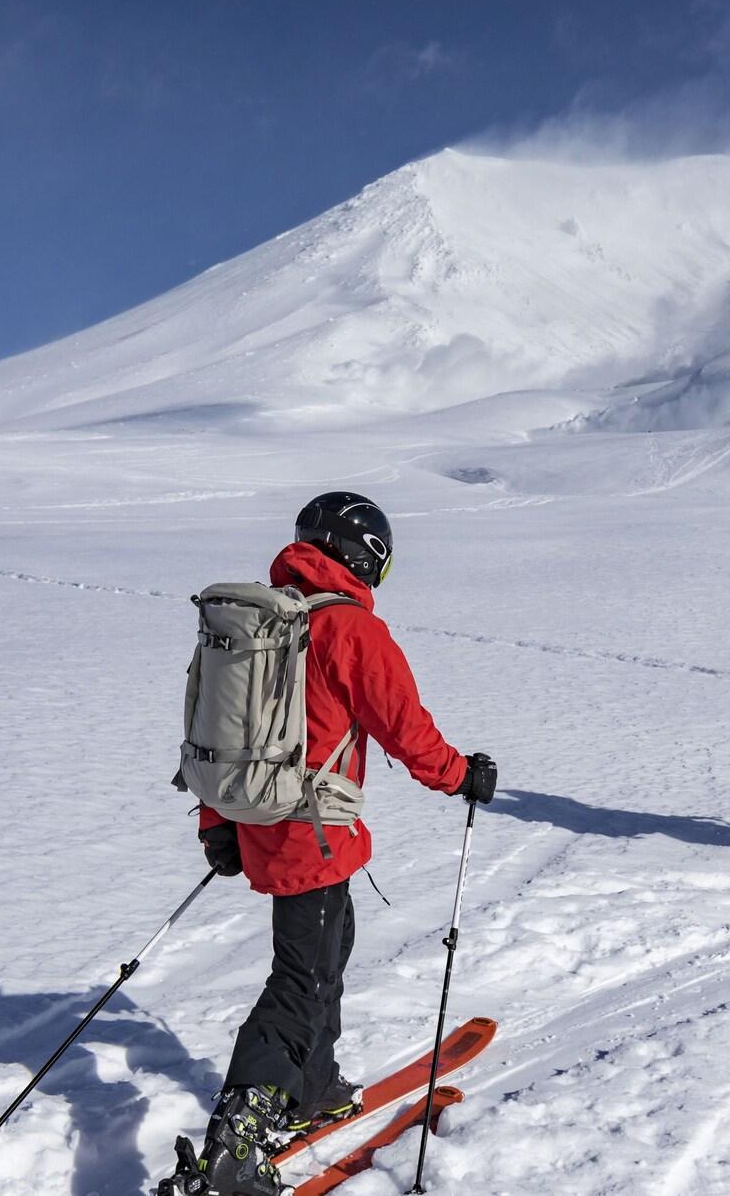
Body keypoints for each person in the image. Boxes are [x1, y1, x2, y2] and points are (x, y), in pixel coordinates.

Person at [182, 491, 498, 1196]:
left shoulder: (261, 619)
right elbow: (405, 727)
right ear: (364, 558)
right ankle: (236, 1140)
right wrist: (460, 777)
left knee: (329, 950)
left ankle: (312, 1085)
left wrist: (217, 825)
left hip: (256, 819)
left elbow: (214, 730)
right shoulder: (347, 628)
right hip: (310, 829)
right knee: (302, 980)